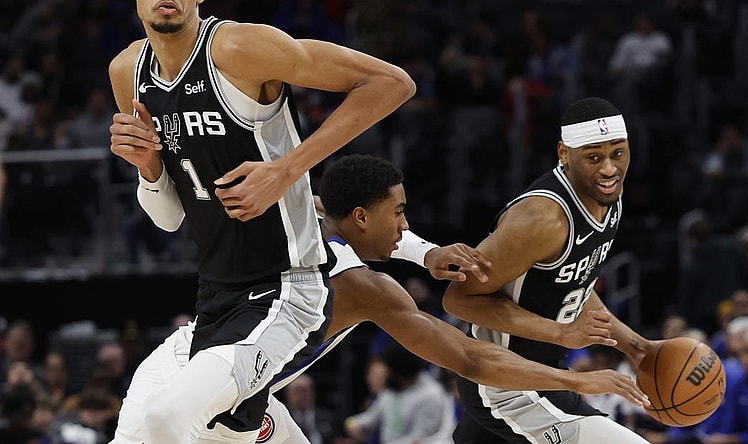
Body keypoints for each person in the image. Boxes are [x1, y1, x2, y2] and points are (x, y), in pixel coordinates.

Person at [111, 153, 648, 444]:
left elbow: (332, 207)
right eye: (400, 211)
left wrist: (426, 251)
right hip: (193, 378)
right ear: (363, 218)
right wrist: (572, 378)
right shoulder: (365, 289)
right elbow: (470, 357)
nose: (406, 222)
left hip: (242, 391)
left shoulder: (308, 218)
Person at [106, 0, 416, 442]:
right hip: (214, 298)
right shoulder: (128, 72)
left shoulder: (240, 47)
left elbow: (391, 82)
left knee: (166, 419)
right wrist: (149, 169)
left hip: (285, 288)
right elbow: (170, 218)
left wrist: (286, 170)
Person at [442, 97, 655, 444]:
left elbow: (576, 288)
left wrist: (636, 347)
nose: (608, 169)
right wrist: (559, 333)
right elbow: (457, 299)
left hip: (546, 372)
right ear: (564, 153)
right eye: (593, 157)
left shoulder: (608, 195)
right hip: (506, 382)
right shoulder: (540, 219)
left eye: (618, 153)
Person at [344, 342, 456, 444]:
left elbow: (419, 439)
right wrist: (353, 423)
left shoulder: (431, 394)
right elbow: (370, 418)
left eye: (386, 370)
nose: (383, 375)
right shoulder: (390, 391)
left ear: (398, 372)